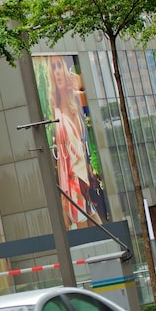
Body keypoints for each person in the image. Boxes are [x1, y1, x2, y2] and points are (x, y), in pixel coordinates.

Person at [47, 55, 91, 227]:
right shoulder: (55, 111)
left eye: (60, 66)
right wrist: (64, 197)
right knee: (86, 235)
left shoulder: (75, 99)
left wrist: (78, 81)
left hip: (87, 180)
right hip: (74, 184)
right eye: (54, 68)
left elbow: (92, 96)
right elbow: (61, 156)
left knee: (101, 231)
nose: (58, 72)